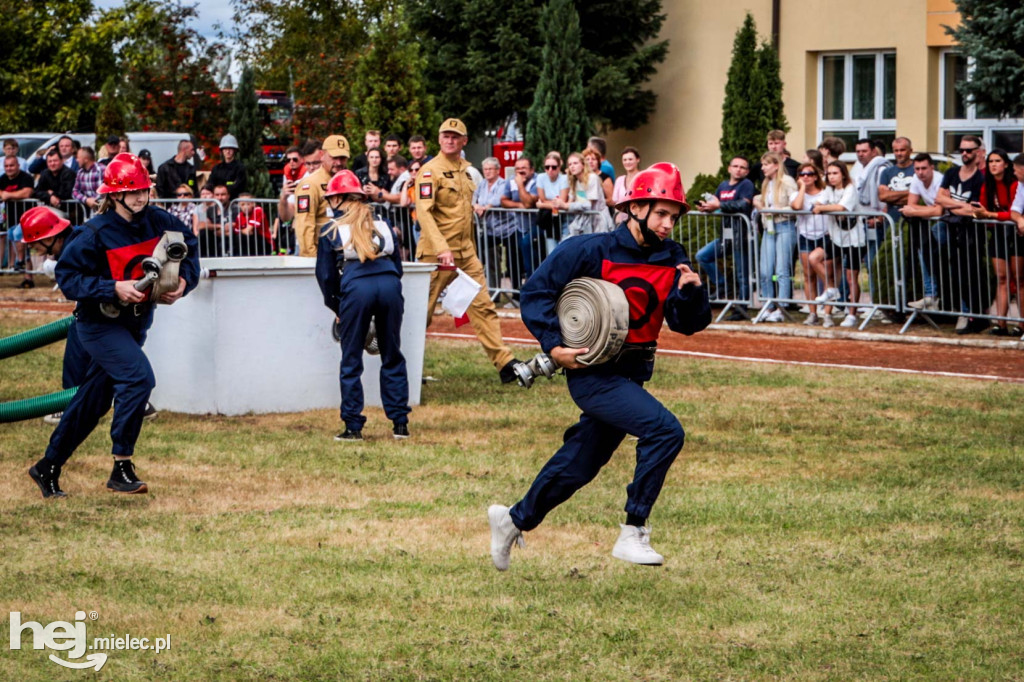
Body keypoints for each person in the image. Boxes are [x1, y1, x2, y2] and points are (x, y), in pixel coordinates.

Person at [487, 162, 711, 570]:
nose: (667, 224)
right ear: (636, 208)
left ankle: (512, 519)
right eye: (661, 213)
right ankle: (633, 531)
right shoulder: (588, 250)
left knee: (580, 463)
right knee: (665, 431)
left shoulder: (673, 257)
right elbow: (536, 294)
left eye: (674, 217)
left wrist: (693, 293)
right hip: (592, 374)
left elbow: (686, 323)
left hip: (633, 375)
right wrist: (554, 347)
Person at [28, 153, 200, 498]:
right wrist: (112, 287)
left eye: (144, 190)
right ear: (114, 195)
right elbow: (69, 277)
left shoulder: (159, 220)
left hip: (136, 323)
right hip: (99, 325)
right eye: (133, 191)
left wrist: (183, 285)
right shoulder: (94, 233)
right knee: (139, 378)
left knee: (92, 402)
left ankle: (47, 466)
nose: (140, 196)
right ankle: (122, 465)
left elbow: (189, 249)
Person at [415, 118, 519, 383]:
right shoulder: (429, 172)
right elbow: (424, 215)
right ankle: (403, 364)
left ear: (464, 141)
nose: (450, 140)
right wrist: (441, 249)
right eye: (445, 136)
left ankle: (505, 364)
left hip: (465, 253)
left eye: (455, 136)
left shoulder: (467, 171)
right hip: (436, 255)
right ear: (439, 140)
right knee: (421, 313)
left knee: (483, 306)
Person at [315, 170, 410, 441]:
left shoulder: (331, 229)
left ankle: (353, 426)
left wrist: (338, 309)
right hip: (390, 284)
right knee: (392, 353)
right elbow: (397, 266)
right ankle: (400, 423)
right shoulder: (382, 221)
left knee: (352, 358)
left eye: (331, 198)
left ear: (340, 198)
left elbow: (325, 277)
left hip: (357, 288)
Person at [935, 135, 989, 334]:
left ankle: (977, 316)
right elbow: (939, 198)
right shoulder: (951, 173)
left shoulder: (981, 178)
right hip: (951, 230)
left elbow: (975, 210)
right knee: (954, 274)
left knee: (972, 275)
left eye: (968, 150)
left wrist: (953, 206)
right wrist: (959, 206)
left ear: (978, 151)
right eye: (962, 150)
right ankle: (965, 313)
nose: (964, 154)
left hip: (972, 232)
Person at [696, 155, 755, 320]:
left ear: (747, 171)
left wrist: (719, 205)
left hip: (741, 234)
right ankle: (722, 285)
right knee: (702, 256)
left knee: (742, 274)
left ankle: (741, 308)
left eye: (742, 167)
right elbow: (715, 204)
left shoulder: (746, 184)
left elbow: (744, 205)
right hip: (725, 235)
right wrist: (706, 208)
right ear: (729, 168)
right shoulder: (723, 186)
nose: (738, 169)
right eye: (735, 166)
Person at [971, 149, 1019, 336]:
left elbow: (1015, 214)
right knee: (1001, 278)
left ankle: (1021, 324)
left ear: (1006, 164)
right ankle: (1000, 323)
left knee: (1020, 280)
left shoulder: (1015, 184)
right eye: (990, 161)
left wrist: (991, 215)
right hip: (998, 233)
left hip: (1016, 233)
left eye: (997, 161)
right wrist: (978, 213)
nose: (993, 164)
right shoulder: (987, 185)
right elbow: (983, 211)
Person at [812, 160, 861, 327]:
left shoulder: (850, 189)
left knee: (850, 277)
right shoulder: (828, 189)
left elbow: (842, 207)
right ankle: (831, 288)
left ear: (843, 174)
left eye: (835, 173)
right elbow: (818, 203)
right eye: (829, 174)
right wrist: (820, 206)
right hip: (835, 237)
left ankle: (852, 313)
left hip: (854, 238)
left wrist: (822, 208)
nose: (832, 177)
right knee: (815, 258)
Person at [753, 151, 798, 322]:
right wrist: (759, 203)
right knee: (765, 270)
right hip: (769, 228)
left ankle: (782, 307)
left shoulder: (787, 182)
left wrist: (775, 211)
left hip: (785, 226)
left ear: (776, 165)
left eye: (766, 164)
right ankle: (768, 305)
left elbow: (795, 207)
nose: (763, 168)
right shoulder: (766, 183)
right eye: (763, 164)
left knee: (781, 270)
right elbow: (761, 200)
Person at [901, 153, 946, 312]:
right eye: (917, 168)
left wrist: (916, 211)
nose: (920, 172)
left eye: (924, 168)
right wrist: (928, 210)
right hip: (935, 222)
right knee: (922, 251)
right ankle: (930, 295)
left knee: (932, 254)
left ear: (932, 168)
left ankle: (936, 296)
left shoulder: (940, 180)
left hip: (949, 223)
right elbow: (910, 204)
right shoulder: (915, 179)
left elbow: (939, 211)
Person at [293, 135, 349, 257]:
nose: (339, 162)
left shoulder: (348, 181)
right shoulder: (310, 185)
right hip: (323, 253)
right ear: (322, 155)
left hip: (346, 252)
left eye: (343, 158)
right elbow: (305, 225)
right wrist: (311, 259)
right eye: (334, 158)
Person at [789, 163, 829, 325]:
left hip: (825, 236)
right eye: (802, 174)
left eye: (809, 174)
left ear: (815, 176)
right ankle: (812, 312)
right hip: (806, 236)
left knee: (827, 275)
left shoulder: (825, 193)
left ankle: (828, 312)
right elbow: (797, 206)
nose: (805, 177)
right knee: (808, 276)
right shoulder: (797, 194)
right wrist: (802, 189)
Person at [473, 157, 519, 292]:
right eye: (485, 169)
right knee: (489, 258)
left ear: (498, 170)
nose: (487, 172)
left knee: (512, 261)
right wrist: (475, 205)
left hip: (508, 228)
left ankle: (516, 292)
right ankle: (494, 291)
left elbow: (498, 199)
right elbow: (474, 197)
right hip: (489, 230)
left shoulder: (503, 183)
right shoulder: (482, 184)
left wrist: (485, 207)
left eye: (490, 169)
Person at [501, 155, 539, 279]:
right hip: (518, 226)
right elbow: (503, 201)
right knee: (516, 258)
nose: (520, 171)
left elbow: (528, 203)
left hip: (536, 225)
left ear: (532, 170)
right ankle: (517, 291)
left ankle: (533, 285)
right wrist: (518, 205)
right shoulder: (511, 180)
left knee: (532, 259)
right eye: (517, 169)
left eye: (524, 168)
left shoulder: (537, 180)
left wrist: (520, 186)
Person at [564, 151, 611, 237]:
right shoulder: (575, 182)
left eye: (575, 163)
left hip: (599, 221)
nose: (572, 166)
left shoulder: (592, 178)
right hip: (584, 222)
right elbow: (569, 202)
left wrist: (566, 206)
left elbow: (588, 204)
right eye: (570, 164)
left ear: (583, 165)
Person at [535, 151, 569, 254]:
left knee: (564, 248)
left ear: (559, 168)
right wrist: (554, 203)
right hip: (549, 219)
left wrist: (543, 205)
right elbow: (542, 198)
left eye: (554, 167)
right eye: (547, 167)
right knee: (551, 250)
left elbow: (561, 202)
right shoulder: (541, 177)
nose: (550, 170)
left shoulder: (564, 179)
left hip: (563, 218)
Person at [205, 134, 248, 200]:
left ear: (234, 150)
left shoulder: (240, 168)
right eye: (225, 149)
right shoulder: (216, 168)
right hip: (217, 202)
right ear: (222, 151)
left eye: (230, 149)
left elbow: (239, 186)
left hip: (233, 202)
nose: (228, 151)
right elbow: (210, 184)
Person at [612, 147, 641, 224]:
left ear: (637, 160)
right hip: (621, 222)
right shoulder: (619, 180)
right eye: (625, 160)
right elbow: (615, 202)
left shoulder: (643, 178)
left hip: (638, 221)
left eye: (630, 159)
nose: (627, 162)